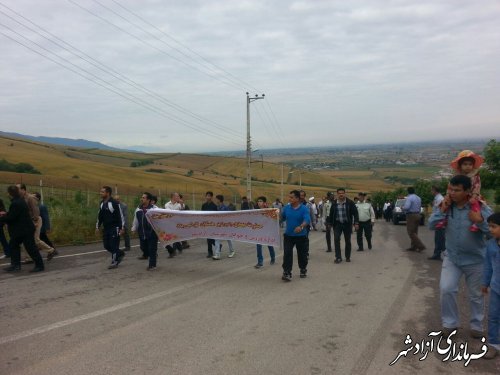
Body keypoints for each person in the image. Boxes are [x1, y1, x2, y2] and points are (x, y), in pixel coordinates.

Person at [429, 175, 492, 339]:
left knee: (476, 295)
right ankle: (450, 324)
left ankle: (477, 325)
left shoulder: (479, 208)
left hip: (476, 260)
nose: (452, 193)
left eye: (457, 190)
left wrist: (480, 222)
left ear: (467, 191)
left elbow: (493, 232)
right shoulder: (446, 206)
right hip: (452, 258)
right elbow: (431, 225)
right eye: (450, 189)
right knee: (446, 289)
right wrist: (441, 211)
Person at [0, 185, 44, 272]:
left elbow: (12, 217)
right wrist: (5, 214)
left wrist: (2, 217)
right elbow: (14, 214)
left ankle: (39, 266)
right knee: (14, 245)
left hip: (24, 230)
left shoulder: (16, 203)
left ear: (10, 194)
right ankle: (16, 266)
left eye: (8, 193)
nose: (7, 194)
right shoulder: (19, 201)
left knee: (30, 248)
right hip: (22, 229)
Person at [17, 183, 55, 259]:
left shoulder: (30, 198)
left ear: (23, 190)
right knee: (25, 240)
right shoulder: (20, 198)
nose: (16, 191)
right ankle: (28, 258)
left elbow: (36, 211)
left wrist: (35, 221)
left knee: (35, 240)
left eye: (18, 189)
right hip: (27, 221)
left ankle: (51, 250)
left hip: (35, 220)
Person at [481, 213, 500, 359]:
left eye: (494, 226)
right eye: (489, 226)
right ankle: (493, 345)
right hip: (496, 289)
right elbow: (488, 266)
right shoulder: (491, 245)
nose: (490, 229)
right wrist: (485, 283)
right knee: (493, 317)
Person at [280, 190, 311, 281]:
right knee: (287, 254)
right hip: (288, 236)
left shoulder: (304, 208)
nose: (289, 199)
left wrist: (301, 227)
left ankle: (303, 269)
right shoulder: (286, 208)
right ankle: (287, 272)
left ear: (297, 198)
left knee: (302, 255)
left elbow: (307, 220)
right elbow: (281, 218)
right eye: (289, 197)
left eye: (291, 197)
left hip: (301, 236)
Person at [96, 186, 125, 269]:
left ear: (107, 193)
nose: (100, 193)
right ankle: (119, 253)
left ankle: (114, 261)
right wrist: (97, 226)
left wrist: (121, 227)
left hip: (114, 228)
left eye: (102, 192)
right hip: (106, 228)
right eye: (101, 192)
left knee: (113, 245)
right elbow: (100, 216)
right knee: (106, 245)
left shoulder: (114, 203)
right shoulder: (101, 203)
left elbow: (120, 216)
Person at [327, 188, 359, 264]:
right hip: (337, 224)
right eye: (339, 193)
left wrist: (356, 223)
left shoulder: (350, 202)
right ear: (337, 194)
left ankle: (347, 256)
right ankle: (338, 257)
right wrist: (329, 223)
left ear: (345, 194)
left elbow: (355, 213)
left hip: (347, 224)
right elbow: (331, 214)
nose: (341, 194)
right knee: (336, 239)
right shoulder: (334, 203)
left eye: (342, 193)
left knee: (348, 241)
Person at [131, 192, 158, 270]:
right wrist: (134, 228)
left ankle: (152, 265)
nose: (141, 199)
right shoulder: (138, 209)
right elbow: (136, 220)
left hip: (152, 233)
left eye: (143, 198)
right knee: (143, 247)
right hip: (142, 232)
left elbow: (160, 220)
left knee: (152, 249)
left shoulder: (154, 209)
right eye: (141, 197)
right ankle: (152, 255)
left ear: (148, 200)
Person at [33, 192, 57, 260]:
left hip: (42, 227)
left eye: (34, 196)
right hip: (38, 227)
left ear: (37, 198)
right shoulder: (34, 206)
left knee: (43, 239)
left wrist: (47, 227)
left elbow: (46, 217)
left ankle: (52, 250)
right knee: (43, 239)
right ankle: (52, 250)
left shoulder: (42, 206)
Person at [254, 196, 276, 268]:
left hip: (267, 231)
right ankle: (260, 262)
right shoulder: (256, 211)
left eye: (260, 201)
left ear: (264, 203)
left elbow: (273, 220)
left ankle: (273, 258)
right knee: (258, 246)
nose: (259, 202)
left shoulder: (269, 211)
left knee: (270, 245)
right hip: (259, 232)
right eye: (258, 201)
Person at [402, 187, 426, 252]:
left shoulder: (409, 198)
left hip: (411, 215)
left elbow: (407, 207)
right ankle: (413, 246)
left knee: (411, 232)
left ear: (408, 191)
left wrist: (402, 208)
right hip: (418, 214)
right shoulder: (418, 198)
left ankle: (421, 246)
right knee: (415, 231)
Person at [213, 194, 235, 260]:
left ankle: (232, 251)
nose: (215, 200)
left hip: (226, 226)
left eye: (216, 199)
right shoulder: (217, 207)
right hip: (219, 226)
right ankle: (217, 254)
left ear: (219, 200)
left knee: (229, 239)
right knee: (216, 239)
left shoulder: (225, 207)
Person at [428, 186, 445, 261]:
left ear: (434, 190)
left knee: (440, 239)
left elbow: (441, 211)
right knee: (438, 238)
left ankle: (440, 255)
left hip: (440, 221)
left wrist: (433, 219)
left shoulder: (440, 199)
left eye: (431, 190)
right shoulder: (437, 198)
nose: (431, 192)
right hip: (438, 221)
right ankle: (437, 254)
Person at [164, 192, 183, 258]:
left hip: (177, 223)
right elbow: (169, 212)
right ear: (173, 197)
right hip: (169, 223)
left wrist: (181, 204)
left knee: (175, 236)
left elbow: (182, 212)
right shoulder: (167, 204)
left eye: (178, 196)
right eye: (177, 196)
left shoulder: (180, 205)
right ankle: (179, 248)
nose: (178, 197)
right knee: (172, 237)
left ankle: (173, 251)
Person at [202, 191, 218, 258]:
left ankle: (212, 250)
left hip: (212, 224)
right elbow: (201, 214)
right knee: (208, 238)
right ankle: (210, 252)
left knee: (210, 238)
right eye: (207, 196)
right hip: (206, 224)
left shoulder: (214, 206)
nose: (208, 197)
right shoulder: (204, 205)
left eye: (209, 196)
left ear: (211, 197)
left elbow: (216, 216)